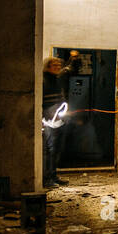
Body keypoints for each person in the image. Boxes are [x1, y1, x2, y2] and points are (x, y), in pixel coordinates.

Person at [42, 56, 70, 187]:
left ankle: (53, 176)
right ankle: (47, 179)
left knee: (57, 149)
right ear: (48, 67)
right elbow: (41, 102)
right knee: (50, 150)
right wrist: (44, 118)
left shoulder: (56, 80)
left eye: (59, 65)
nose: (58, 67)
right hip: (49, 120)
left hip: (58, 119)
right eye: (55, 65)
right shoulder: (43, 80)